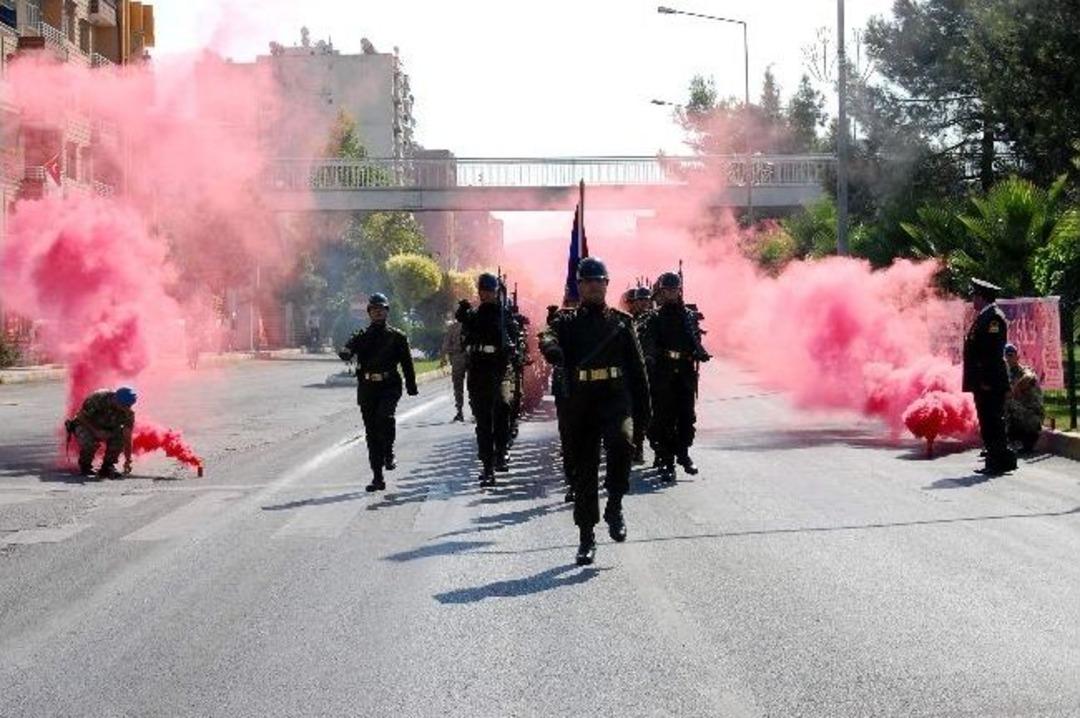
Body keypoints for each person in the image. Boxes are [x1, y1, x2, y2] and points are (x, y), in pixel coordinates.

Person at [540, 257, 651, 566]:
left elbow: (638, 370)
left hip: (615, 397)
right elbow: (547, 334)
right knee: (584, 471)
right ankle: (586, 537)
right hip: (581, 401)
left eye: (598, 281)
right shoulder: (566, 321)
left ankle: (614, 504)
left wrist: (644, 414)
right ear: (580, 286)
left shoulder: (621, 322)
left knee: (621, 441)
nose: (593, 286)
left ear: (606, 284)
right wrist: (551, 349)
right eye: (587, 282)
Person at [339, 293, 418, 492]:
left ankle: (389, 452)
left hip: (389, 385)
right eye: (374, 309)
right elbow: (348, 348)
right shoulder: (362, 336)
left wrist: (411, 385)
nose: (378, 312)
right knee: (371, 433)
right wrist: (346, 353)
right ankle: (377, 477)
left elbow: (407, 363)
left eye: (381, 309)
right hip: (367, 388)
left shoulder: (397, 337)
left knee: (385, 416)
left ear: (387, 311)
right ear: (369, 313)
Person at [640, 271, 711, 482]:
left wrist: (700, 351)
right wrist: (650, 356)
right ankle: (667, 459)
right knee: (664, 418)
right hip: (663, 373)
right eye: (667, 290)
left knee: (687, 417)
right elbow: (649, 342)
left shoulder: (688, 316)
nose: (671, 293)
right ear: (661, 292)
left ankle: (683, 453)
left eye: (674, 289)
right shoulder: (654, 317)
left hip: (685, 373)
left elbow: (695, 339)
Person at [457, 272, 519, 487]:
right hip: (478, 370)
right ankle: (487, 467)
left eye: (489, 291)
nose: (485, 294)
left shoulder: (504, 315)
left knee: (501, 411)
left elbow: (514, 338)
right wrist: (463, 314)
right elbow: (465, 334)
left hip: (500, 370)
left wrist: (512, 347)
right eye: (482, 290)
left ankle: (501, 452)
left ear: (496, 292)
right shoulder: (474, 315)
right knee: (483, 421)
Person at [962, 279, 1017, 475]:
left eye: (974, 296)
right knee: (988, 420)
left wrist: (985, 380)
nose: (972, 300)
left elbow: (991, 352)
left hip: (989, 380)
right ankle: (996, 458)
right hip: (983, 380)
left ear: (982, 296)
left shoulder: (993, 318)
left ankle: (997, 461)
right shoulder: (984, 316)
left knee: (993, 420)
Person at [69, 386, 137, 479]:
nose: (126, 409)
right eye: (124, 405)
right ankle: (85, 466)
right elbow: (80, 416)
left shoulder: (128, 413)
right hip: (85, 425)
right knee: (90, 443)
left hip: (106, 428)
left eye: (128, 406)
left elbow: (127, 437)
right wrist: (96, 431)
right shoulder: (99, 398)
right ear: (116, 399)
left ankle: (107, 466)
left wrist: (128, 460)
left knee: (120, 437)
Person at [627, 285, 654, 465]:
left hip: (654, 373)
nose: (644, 303)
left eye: (646, 300)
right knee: (635, 412)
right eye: (640, 300)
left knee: (651, 412)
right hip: (633, 374)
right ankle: (637, 446)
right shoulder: (627, 322)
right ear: (634, 302)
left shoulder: (656, 319)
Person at [1005, 344, 1045, 454]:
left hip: (1032, 412)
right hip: (1018, 411)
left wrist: (1016, 388)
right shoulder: (1006, 373)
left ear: (1017, 357)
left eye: (1011, 355)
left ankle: (1027, 441)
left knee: (1009, 405)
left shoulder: (1025, 370)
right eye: (1006, 355)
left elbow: (1029, 377)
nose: (1008, 358)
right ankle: (1007, 441)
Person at [440, 319, 468, 422]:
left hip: (458, 358)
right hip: (469, 357)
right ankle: (474, 411)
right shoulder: (473, 324)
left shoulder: (453, 327)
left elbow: (446, 344)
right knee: (472, 386)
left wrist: (443, 358)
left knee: (458, 386)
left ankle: (460, 411)